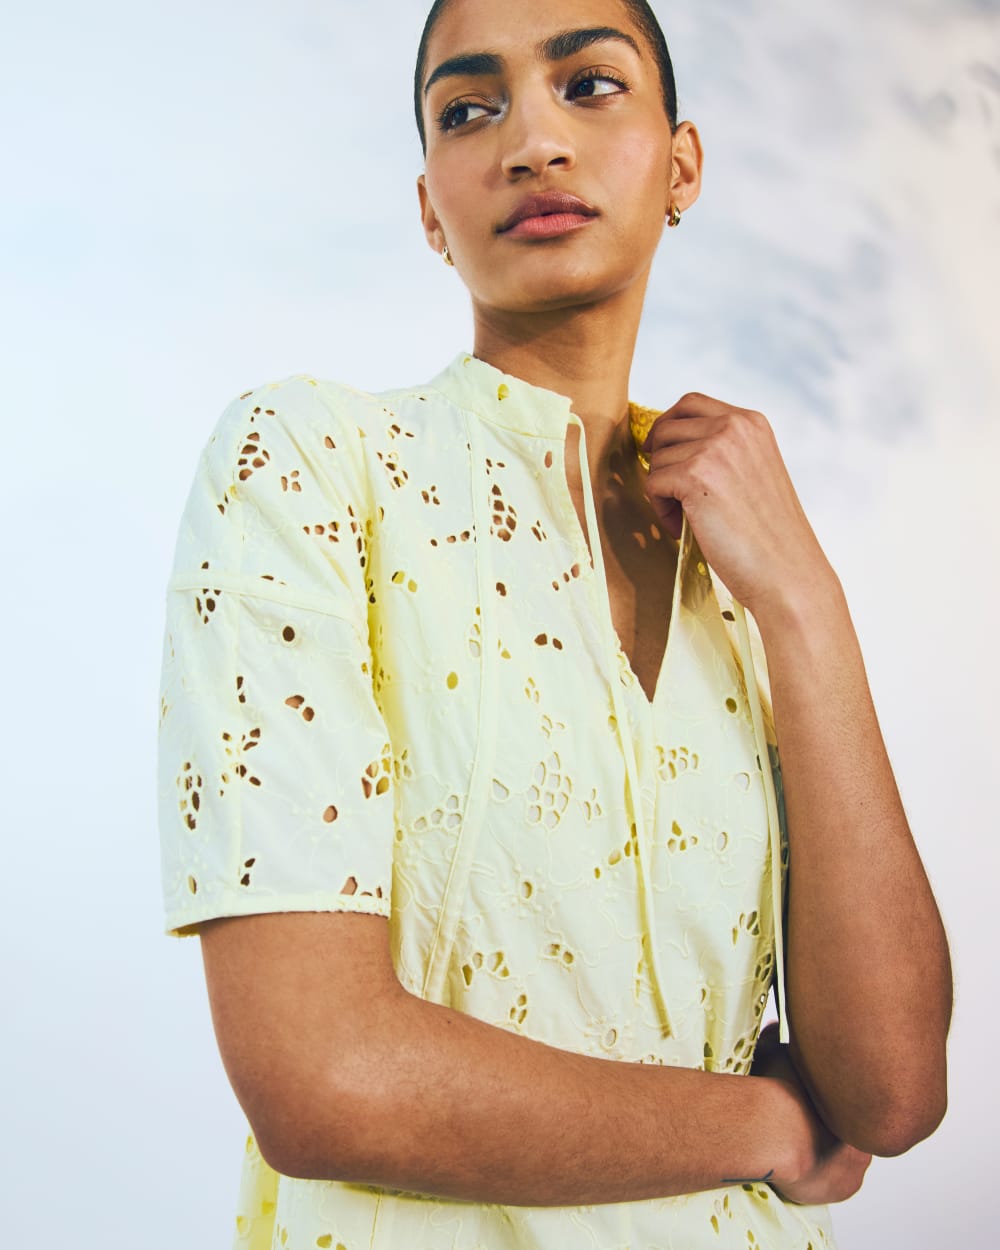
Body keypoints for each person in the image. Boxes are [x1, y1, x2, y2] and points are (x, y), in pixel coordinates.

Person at [156, 1, 952, 1246]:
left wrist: (808, 603)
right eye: (468, 110)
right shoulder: (310, 466)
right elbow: (324, 1076)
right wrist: (763, 1121)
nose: (532, 141)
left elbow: (892, 1092)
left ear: (681, 164)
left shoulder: (743, 554)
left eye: (588, 85)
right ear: (431, 208)